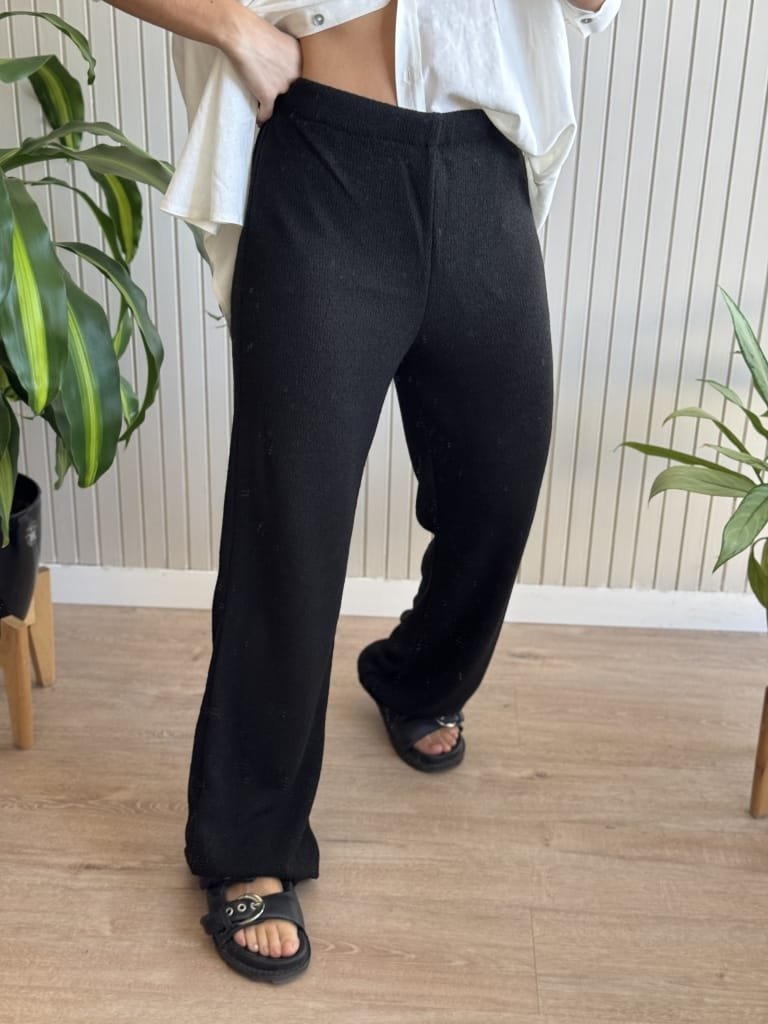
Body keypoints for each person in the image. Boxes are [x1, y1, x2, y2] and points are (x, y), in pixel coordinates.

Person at [101, 0, 621, 984]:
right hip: (322, 154)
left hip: (482, 157)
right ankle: (248, 839)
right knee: (289, 522)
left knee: (499, 478)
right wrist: (234, 28)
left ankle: (416, 676)